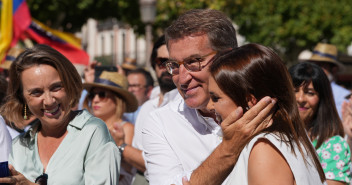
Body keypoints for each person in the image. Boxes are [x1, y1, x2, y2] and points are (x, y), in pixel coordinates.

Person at [142, 9, 276, 185]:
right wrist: (228, 149)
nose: (182, 78)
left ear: (228, 57)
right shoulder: (160, 122)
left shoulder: (266, 107)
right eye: (174, 65)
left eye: (193, 62)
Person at [204, 43, 325, 184]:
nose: (209, 105)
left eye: (215, 98)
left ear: (250, 100)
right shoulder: (291, 137)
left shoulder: (265, 149)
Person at [0, 44, 120, 184]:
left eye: (56, 87)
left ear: (69, 85)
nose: (49, 101)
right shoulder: (19, 145)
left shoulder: (92, 132)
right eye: (36, 92)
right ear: (22, 98)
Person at [289, 62, 351, 185]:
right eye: (294, 91)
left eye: (310, 93)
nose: (300, 98)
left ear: (322, 99)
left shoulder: (333, 145)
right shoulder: (270, 134)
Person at [82, 71, 138, 185]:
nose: (95, 100)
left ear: (117, 100)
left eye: (102, 94)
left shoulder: (127, 128)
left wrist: (120, 144)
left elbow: (129, 168)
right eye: (92, 95)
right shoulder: (87, 126)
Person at [305, 43, 350, 118]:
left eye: (321, 65)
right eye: (313, 65)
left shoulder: (344, 96)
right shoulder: (302, 91)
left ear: (334, 69)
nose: (316, 69)